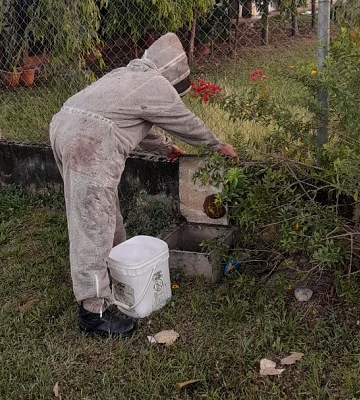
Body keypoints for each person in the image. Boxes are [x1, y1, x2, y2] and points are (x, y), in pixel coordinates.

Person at [49, 32, 238, 338]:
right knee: (92, 223)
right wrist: (217, 145)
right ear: (173, 73)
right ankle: (92, 313)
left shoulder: (125, 75)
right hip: (89, 141)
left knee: (99, 212)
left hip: (64, 126)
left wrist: (165, 148)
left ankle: (115, 275)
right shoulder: (155, 84)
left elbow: (133, 121)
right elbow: (183, 121)